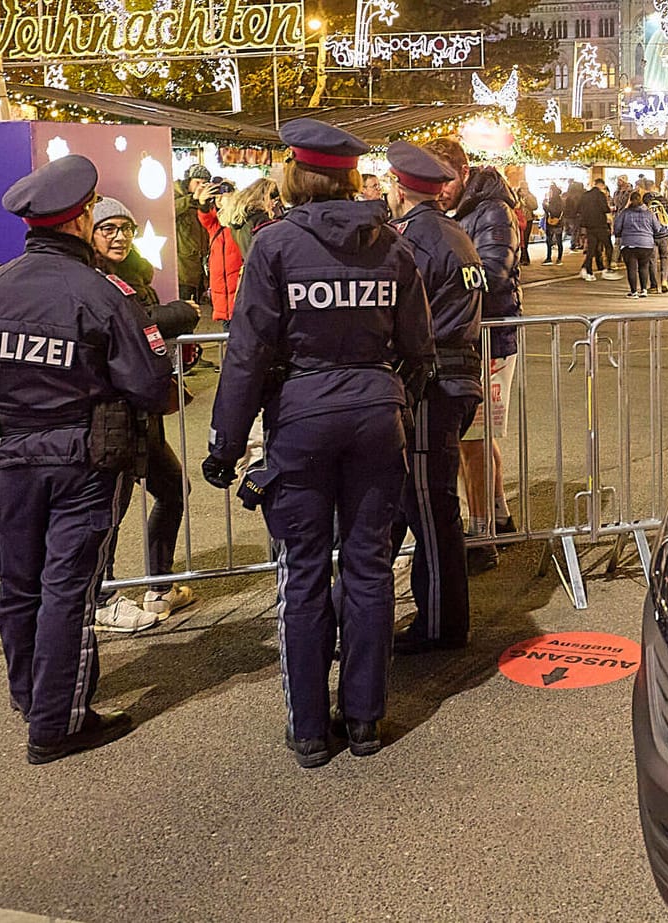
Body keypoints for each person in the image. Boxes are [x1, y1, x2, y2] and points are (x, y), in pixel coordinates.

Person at [202, 119, 435, 768]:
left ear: (296, 175)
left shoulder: (274, 247)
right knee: (367, 567)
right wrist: (393, 404)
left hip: (301, 423)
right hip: (373, 420)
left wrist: (225, 445)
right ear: (348, 176)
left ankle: (309, 730)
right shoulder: (391, 247)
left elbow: (248, 354)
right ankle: (364, 719)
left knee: (302, 573)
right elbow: (419, 351)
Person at [0, 155, 173, 763]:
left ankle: (32, 696)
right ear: (78, 220)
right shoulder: (102, 294)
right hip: (82, 457)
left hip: (9, 456)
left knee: (18, 584)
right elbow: (152, 385)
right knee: (67, 587)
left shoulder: (1, 284)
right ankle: (57, 723)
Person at [385, 141, 486, 654]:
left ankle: (441, 625)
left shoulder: (414, 243)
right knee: (424, 502)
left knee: (430, 508)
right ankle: (436, 617)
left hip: (433, 384)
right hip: (454, 379)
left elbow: (408, 321)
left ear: (401, 189)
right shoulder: (454, 234)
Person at [88, 197, 200, 630]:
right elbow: (132, 324)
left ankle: (159, 584)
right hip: (112, 415)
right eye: (108, 228)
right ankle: (102, 596)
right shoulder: (91, 279)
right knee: (109, 509)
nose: (119, 236)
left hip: (144, 414)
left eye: (125, 227)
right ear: (90, 234)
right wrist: (176, 316)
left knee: (173, 489)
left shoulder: (136, 273)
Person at [449, 153, 524, 573]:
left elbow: (493, 271)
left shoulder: (492, 211)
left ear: (462, 173)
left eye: (442, 179)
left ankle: (482, 536)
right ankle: (497, 519)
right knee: (476, 438)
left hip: (486, 338)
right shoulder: (465, 209)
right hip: (474, 336)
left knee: (474, 439)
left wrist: (441, 277)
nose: (437, 188)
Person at [194, 179, 244, 328]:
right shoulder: (215, 225)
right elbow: (204, 217)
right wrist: (202, 202)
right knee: (228, 337)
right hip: (222, 300)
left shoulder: (240, 224)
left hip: (240, 296)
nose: (221, 199)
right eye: (218, 196)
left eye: (225, 194)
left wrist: (234, 198)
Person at [220, 178, 283, 261]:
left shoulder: (240, 220)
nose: (274, 205)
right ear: (264, 197)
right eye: (274, 199)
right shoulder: (260, 220)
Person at [174, 164, 210, 305]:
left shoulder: (203, 199)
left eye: (204, 183)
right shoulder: (175, 194)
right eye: (197, 182)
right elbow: (170, 211)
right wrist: (192, 199)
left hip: (199, 262)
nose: (200, 186)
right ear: (188, 181)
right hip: (183, 264)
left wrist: (204, 203)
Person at [613, 190, 661, 297]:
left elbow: (617, 227)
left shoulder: (625, 213)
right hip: (646, 245)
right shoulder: (649, 213)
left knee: (631, 268)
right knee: (643, 267)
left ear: (630, 200)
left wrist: (619, 235)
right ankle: (644, 290)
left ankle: (634, 291)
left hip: (629, 244)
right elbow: (657, 228)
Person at [578, 180, 616, 282]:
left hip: (589, 226)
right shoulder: (600, 195)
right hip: (600, 225)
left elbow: (580, 209)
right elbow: (606, 210)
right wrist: (611, 224)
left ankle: (588, 270)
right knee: (608, 246)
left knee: (591, 248)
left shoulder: (585, 195)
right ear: (602, 185)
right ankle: (608, 269)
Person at [644, 181, 668, 293]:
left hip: (651, 234)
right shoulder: (664, 200)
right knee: (664, 258)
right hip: (664, 234)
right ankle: (664, 281)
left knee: (652, 260)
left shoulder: (646, 200)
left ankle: (653, 285)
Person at [541, 183, 565, 265]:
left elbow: (553, 211)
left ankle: (550, 258)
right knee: (557, 241)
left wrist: (545, 206)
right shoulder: (560, 200)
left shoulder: (555, 201)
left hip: (554, 223)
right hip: (557, 222)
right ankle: (558, 258)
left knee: (552, 241)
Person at [516, 181, 538, 266]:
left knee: (525, 239)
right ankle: (522, 257)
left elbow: (535, 206)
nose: (523, 191)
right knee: (519, 240)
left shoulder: (531, 196)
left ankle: (525, 258)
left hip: (527, 220)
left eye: (525, 189)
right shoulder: (517, 197)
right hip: (518, 219)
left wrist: (527, 199)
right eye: (522, 189)